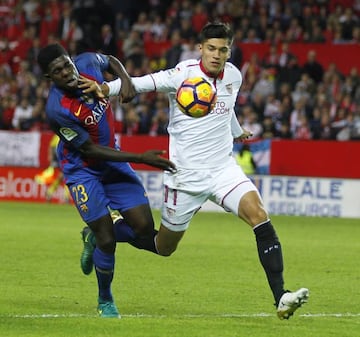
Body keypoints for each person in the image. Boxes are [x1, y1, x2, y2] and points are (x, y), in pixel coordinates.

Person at [82, 22, 309, 320]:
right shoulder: (181, 75)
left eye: (223, 49)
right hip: (185, 177)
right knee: (163, 247)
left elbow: (227, 109)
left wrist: (237, 131)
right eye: (211, 49)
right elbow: (140, 83)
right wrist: (104, 88)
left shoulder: (234, 75)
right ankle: (102, 231)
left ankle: (281, 296)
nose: (216, 55)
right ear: (200, 48)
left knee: (259, 215)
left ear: (230, 50)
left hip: (222, 169)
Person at [37, 43, 176, 319]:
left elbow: (110, 60)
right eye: (58, 71)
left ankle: (92, 236)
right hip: (83, 171)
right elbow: (88, 149)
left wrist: (125, 80)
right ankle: (105, 299)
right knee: (107, 239)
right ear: (49, 78)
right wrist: (140, 157)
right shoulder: (57, 110)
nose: (67, 72)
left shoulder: (87, 62)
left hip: (113, 163)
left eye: (66, 64)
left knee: (145, 230)